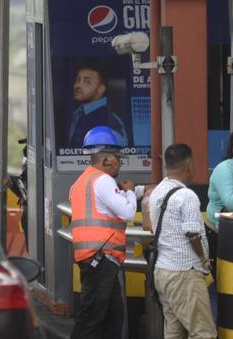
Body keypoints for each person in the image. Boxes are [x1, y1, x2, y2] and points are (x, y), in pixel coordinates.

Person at [69, 125, 146, 339]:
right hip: (101, 259)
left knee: (112, 317)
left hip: (95, 258)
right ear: (107, 160)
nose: (120, 163)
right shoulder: (103, 180)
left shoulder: (83, 181)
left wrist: (135, 190)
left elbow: (108, 203)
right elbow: (128, 212)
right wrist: (130, 191)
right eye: (119, 158)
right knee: (92, 317)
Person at [149, 144, 215, 339]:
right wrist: (204, 259)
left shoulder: (157, 192)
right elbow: (192, 234)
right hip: (185, 272)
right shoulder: (187, 196)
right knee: (203, 333)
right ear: (189, 166)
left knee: (175, 332)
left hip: (163, 272)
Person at [67, 61, 129, 148]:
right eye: (77, 80)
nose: (77, 85)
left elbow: (120, 152)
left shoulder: (110, 119)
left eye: (87, 82)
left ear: (100, 89)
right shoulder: (77, 112)